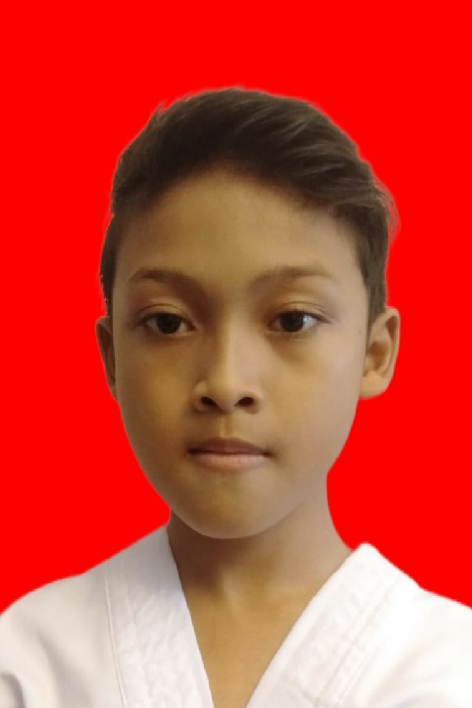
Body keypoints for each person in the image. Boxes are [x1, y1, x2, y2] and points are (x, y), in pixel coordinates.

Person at [1, 87, 471, 708]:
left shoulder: (450, 667)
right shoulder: (28, 665)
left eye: (293, 320)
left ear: (374, 352)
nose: (225, 384)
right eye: (168, 322)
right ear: (112, 357)